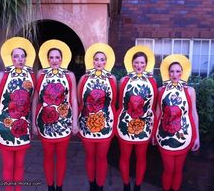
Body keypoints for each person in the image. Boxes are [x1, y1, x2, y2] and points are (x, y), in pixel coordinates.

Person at [0, 37, 36, 191]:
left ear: (26, 58)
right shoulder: (3, 75)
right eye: (16, 56)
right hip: (4, 126)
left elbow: (33, 101)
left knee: (20, 164)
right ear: (11, 58)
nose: (19, 59)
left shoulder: (31, 76)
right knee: (8, 165)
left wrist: (33, 124)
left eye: (22, 56)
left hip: (22, 127)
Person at [32, 39, 78, 191]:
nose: (54, 60)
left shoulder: (69, 75)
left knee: (62, 156)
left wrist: (75, 123)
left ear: (62, 59)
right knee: (48, 156)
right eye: (51, 57)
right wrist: (33, 123)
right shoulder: (41, 74)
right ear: (47, 59)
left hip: (64, 122)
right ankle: (50, 186)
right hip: (45, 122)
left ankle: (60, 186)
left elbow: (74, 100)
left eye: (57, 57)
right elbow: (35, 99)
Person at [154, 54, 200, 191]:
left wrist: (197, 136)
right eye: (172, 71)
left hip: (184, 136)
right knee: (168, 169)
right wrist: (153, 134)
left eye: (178, 71)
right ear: (167, 73)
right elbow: (157, 113)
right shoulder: (161, 90)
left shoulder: (190, 91)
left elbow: (193, 113)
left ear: (182, 73)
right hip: (165, 136)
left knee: (178, 170)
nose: (175, 74)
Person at [116, 45, 157, 191]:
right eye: (136, 62)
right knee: (125, 157)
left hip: (144, 127)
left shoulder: (152, 82)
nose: (139, 65)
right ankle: (126, 185)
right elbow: (119, 104)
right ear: (131, 63)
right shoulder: (124, 81)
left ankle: (138, 186)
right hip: (125, 125)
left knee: (141, 158)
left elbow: (153, 107)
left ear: (146, 64)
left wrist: (153, 129)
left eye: (142, 63)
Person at [78, 43, 117, 191]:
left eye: (102, 60)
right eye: (96, 59)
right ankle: (91, 185)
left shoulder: (112, 78)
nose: (99, 62)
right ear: (92, 61)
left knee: (101, 158)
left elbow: (113, 102)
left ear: (106, 62)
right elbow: (80, 101)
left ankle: (100, 186)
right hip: (87, 124)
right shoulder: (84, 79)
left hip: (105, 125)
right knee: (89, 157)